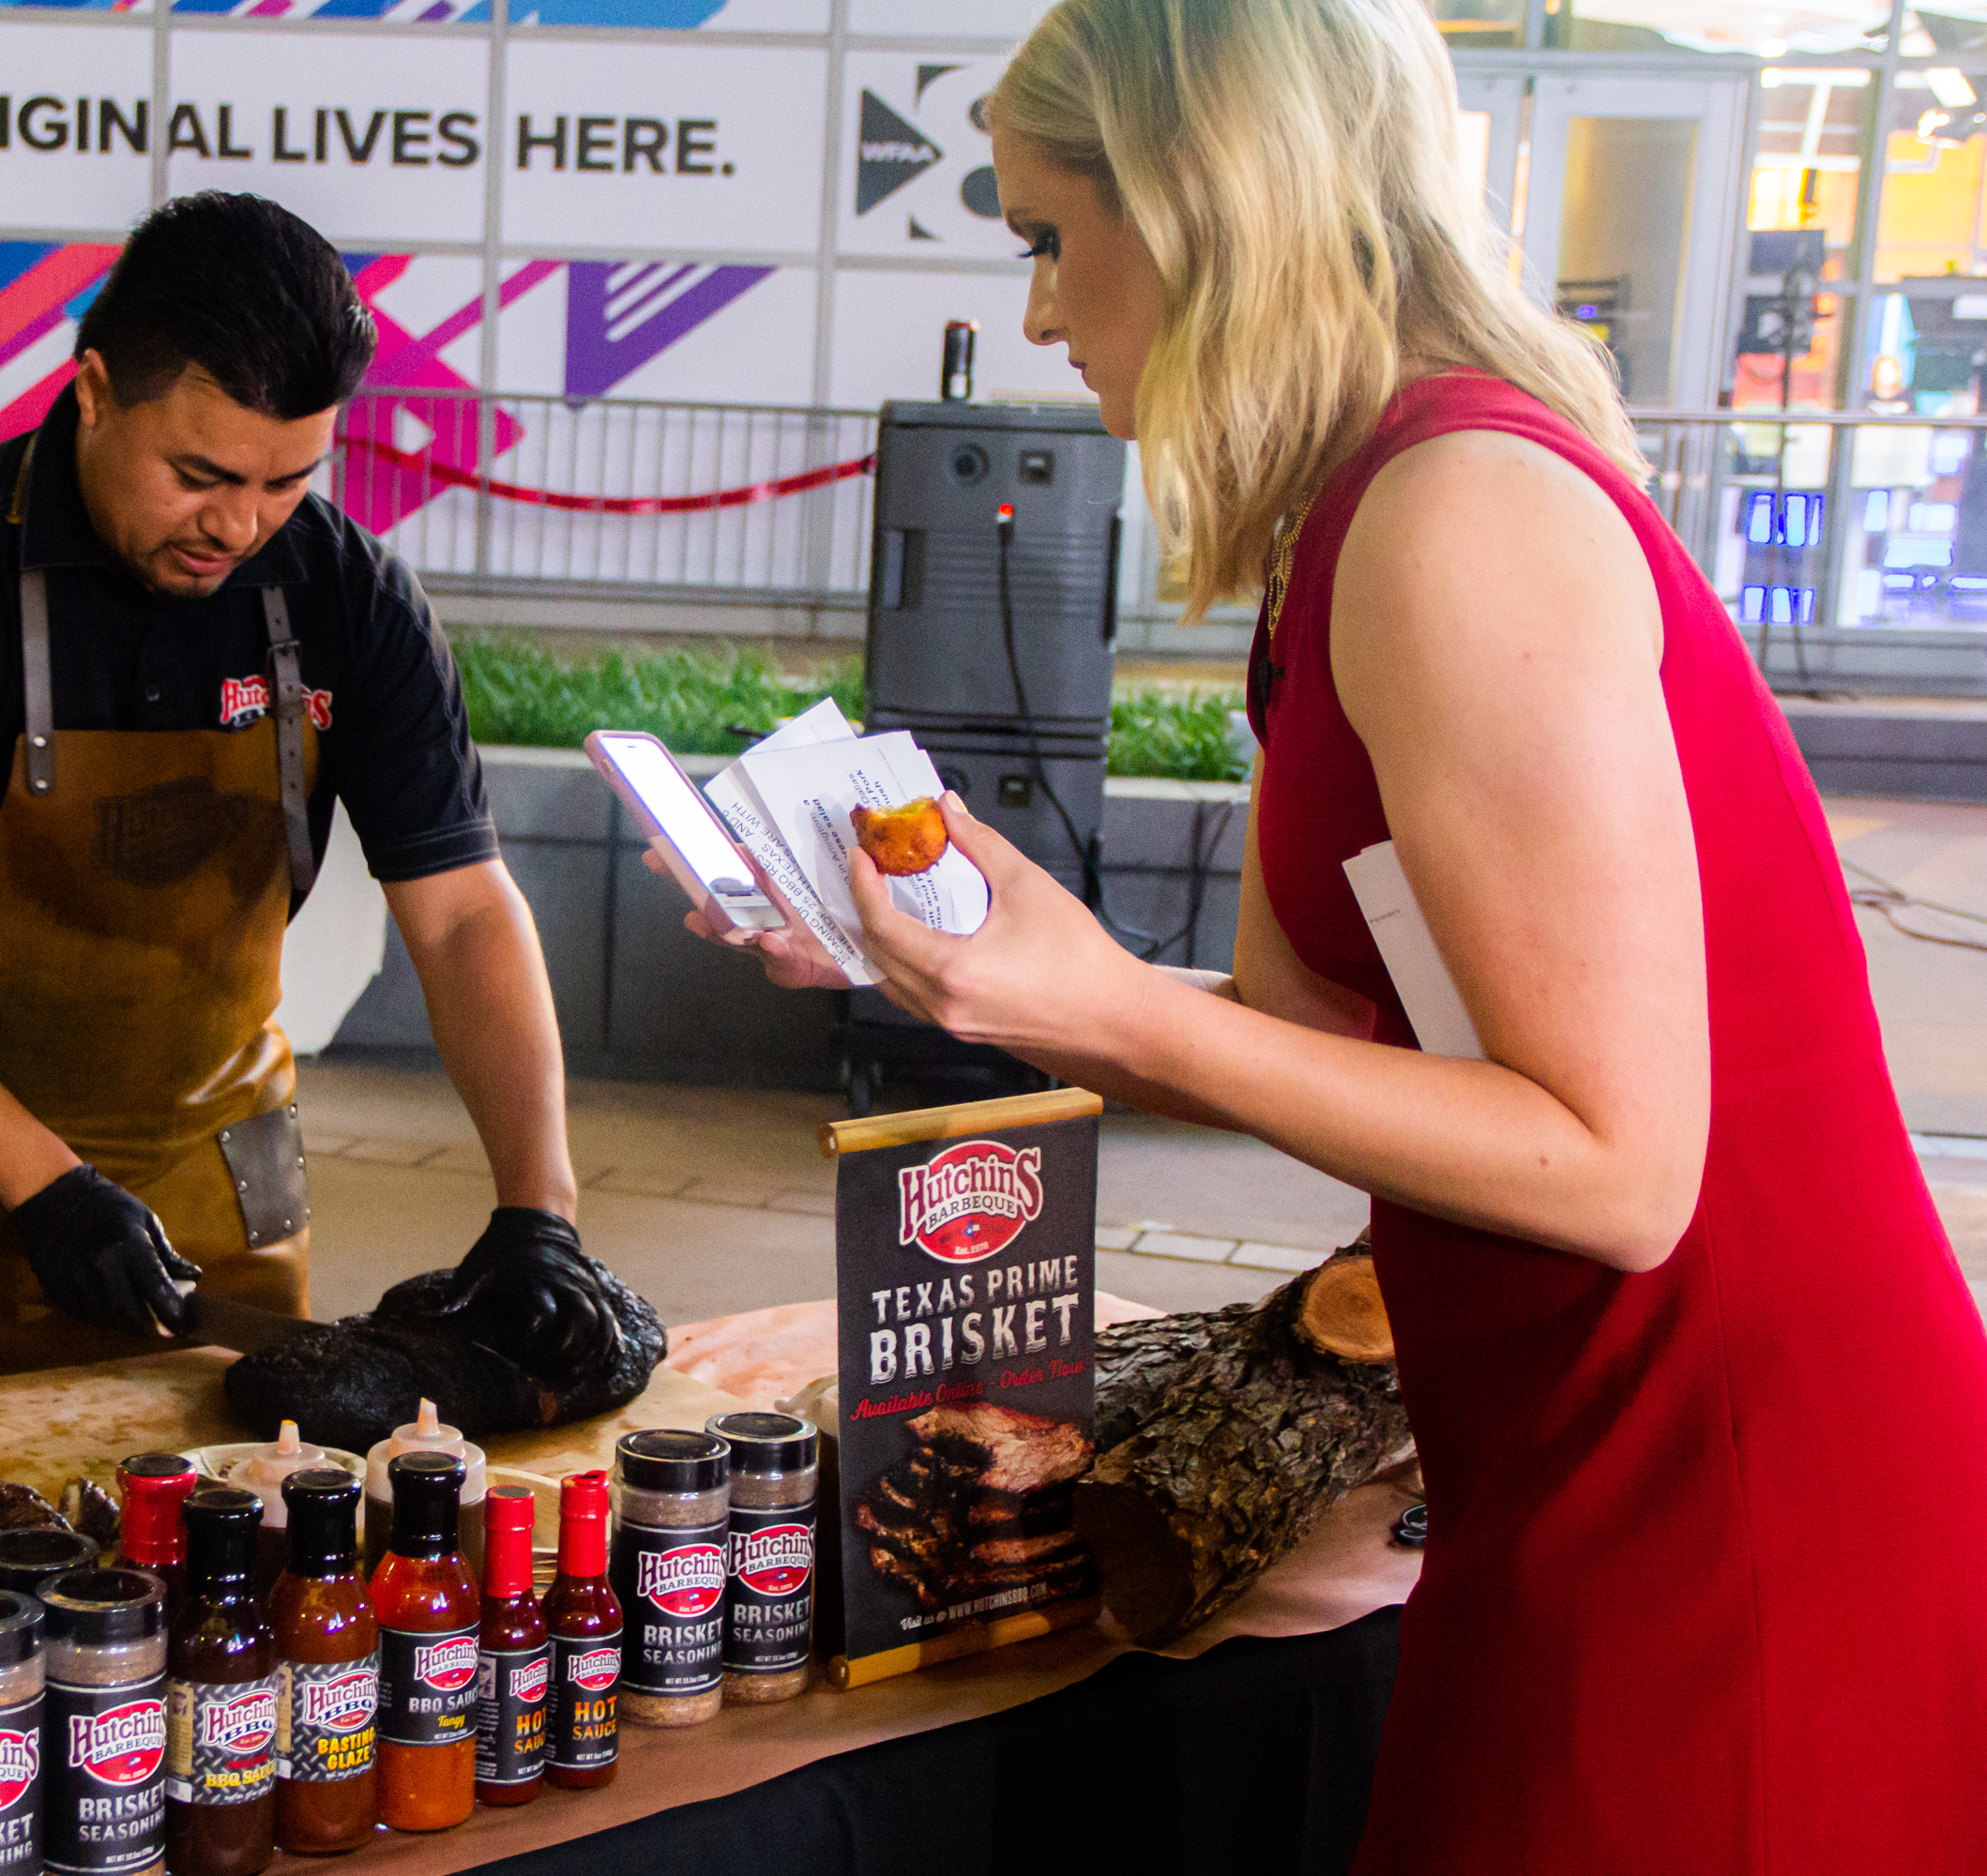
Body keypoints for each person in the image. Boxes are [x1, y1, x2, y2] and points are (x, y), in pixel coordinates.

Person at [690, 0, 1987, 1866]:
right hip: (1561, 1456)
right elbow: (1346, 1055)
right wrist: (979, 972)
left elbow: (1622, 1168)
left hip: (1733, 1483)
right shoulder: (1358, 518)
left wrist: (1122, 1013)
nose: (1040, 316)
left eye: (1053, 236)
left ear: (1212, 204)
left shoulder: (1455, 511)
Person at [0, 193, 580, 1409]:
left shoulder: (347, 597)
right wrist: (51, 1188)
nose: (240, 525)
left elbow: (458, 916)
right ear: (92, 392)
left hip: (212, 1222)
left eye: (287, 480)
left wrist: (538, 1209)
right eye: (200, 476)